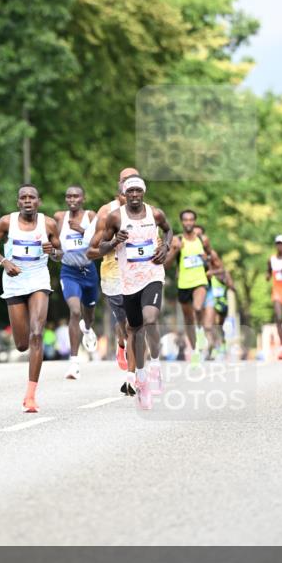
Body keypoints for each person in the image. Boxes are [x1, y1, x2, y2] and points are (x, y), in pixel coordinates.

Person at [91, 176, 172, 410]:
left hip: (152, 275)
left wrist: (165, 247)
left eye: (138, 191)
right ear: (125, 194)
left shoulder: (154, 214)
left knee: (150, 319)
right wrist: (116, 240)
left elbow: (168, 230)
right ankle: (142, 378)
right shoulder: (115, 217)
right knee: (135, 330)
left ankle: (155, 365)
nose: (134, 195)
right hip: (128, 281)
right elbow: (101, 247)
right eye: (130, 191)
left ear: (143, 192)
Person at [0, 183, 62, 412]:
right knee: (21, 344)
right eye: (23, 197)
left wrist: (53, 252)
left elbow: (59, 253)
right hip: (14, 280)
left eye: (32, 197)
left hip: (38, 278)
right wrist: (4, 261)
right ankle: (29, 386)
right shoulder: (7, 222)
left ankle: (30, 396)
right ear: (18, 202)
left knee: (37, 334)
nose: (28, 201)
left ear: (38, 201)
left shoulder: (48, 224)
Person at [88, 167, 140, 391]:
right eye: (125, 182)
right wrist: (112, 241)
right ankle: (121, 345)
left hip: (138, 273)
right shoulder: (106, 212)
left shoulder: (145, 211)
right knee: (124, 326)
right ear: (119, 187)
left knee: (135, 326)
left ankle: (134, 377)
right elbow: (93, 248)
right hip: (113, 273)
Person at [53, 185, 98, 380]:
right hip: (69, 272)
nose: (72, 199)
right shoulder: (59, 218)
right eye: (69, 196)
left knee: (88, 315)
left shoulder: (91, 216)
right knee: (75, 311)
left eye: (76, 196)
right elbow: (56, 251)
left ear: (83, 199)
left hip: (89, 272)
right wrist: (53, 254)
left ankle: (87, 329)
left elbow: (99, 240)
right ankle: (74, 364)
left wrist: (81, 229)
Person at [165, 210, 212, 362]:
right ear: (182, 222)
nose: (188, 223)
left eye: (191, 220)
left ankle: (200, 332)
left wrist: (207, 258)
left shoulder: (203, 240)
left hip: (200, 281)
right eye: (185, 220)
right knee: (188, 319)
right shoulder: (177, 240)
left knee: (198, 308)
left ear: (195, 221)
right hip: (184, 283)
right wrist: (175, 250)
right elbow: (167, 265)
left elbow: (211, 258)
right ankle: (195, 351)